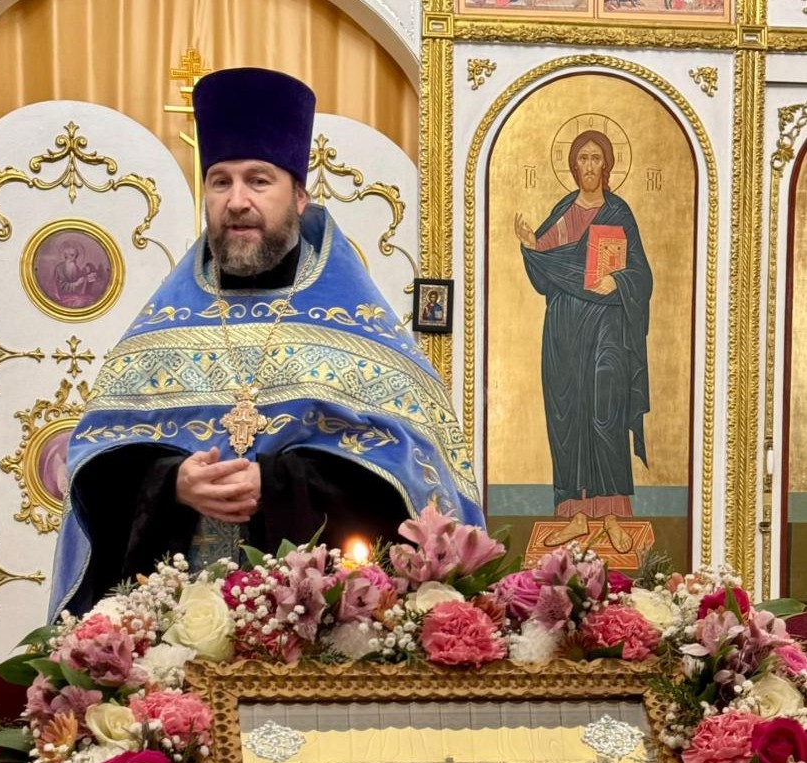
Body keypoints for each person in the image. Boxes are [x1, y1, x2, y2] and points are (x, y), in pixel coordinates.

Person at [50, 67, 483, 618]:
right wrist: (171, 483)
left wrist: (278, 486)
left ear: (299, 196)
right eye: (220, 182)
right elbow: (95, 468)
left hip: (323, 641)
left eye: (258, 181)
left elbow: (416, 484)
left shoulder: (360, 328)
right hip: (173, 636)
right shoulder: (158, 332)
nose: (237, 201)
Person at [514, 129, 652, 528]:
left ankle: (611, 516)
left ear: (606, 164)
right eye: (583, 159)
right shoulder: (563, 210)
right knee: (568, 416)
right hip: (564, 330)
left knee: (606, 412)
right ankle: (573, 513)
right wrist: (531, 246)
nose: (589, 166)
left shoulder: (619, 213)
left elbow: (642, 275)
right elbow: (545, 275)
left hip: (608, 328)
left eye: (596, 158)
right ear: (574, 166)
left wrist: (619, 280)